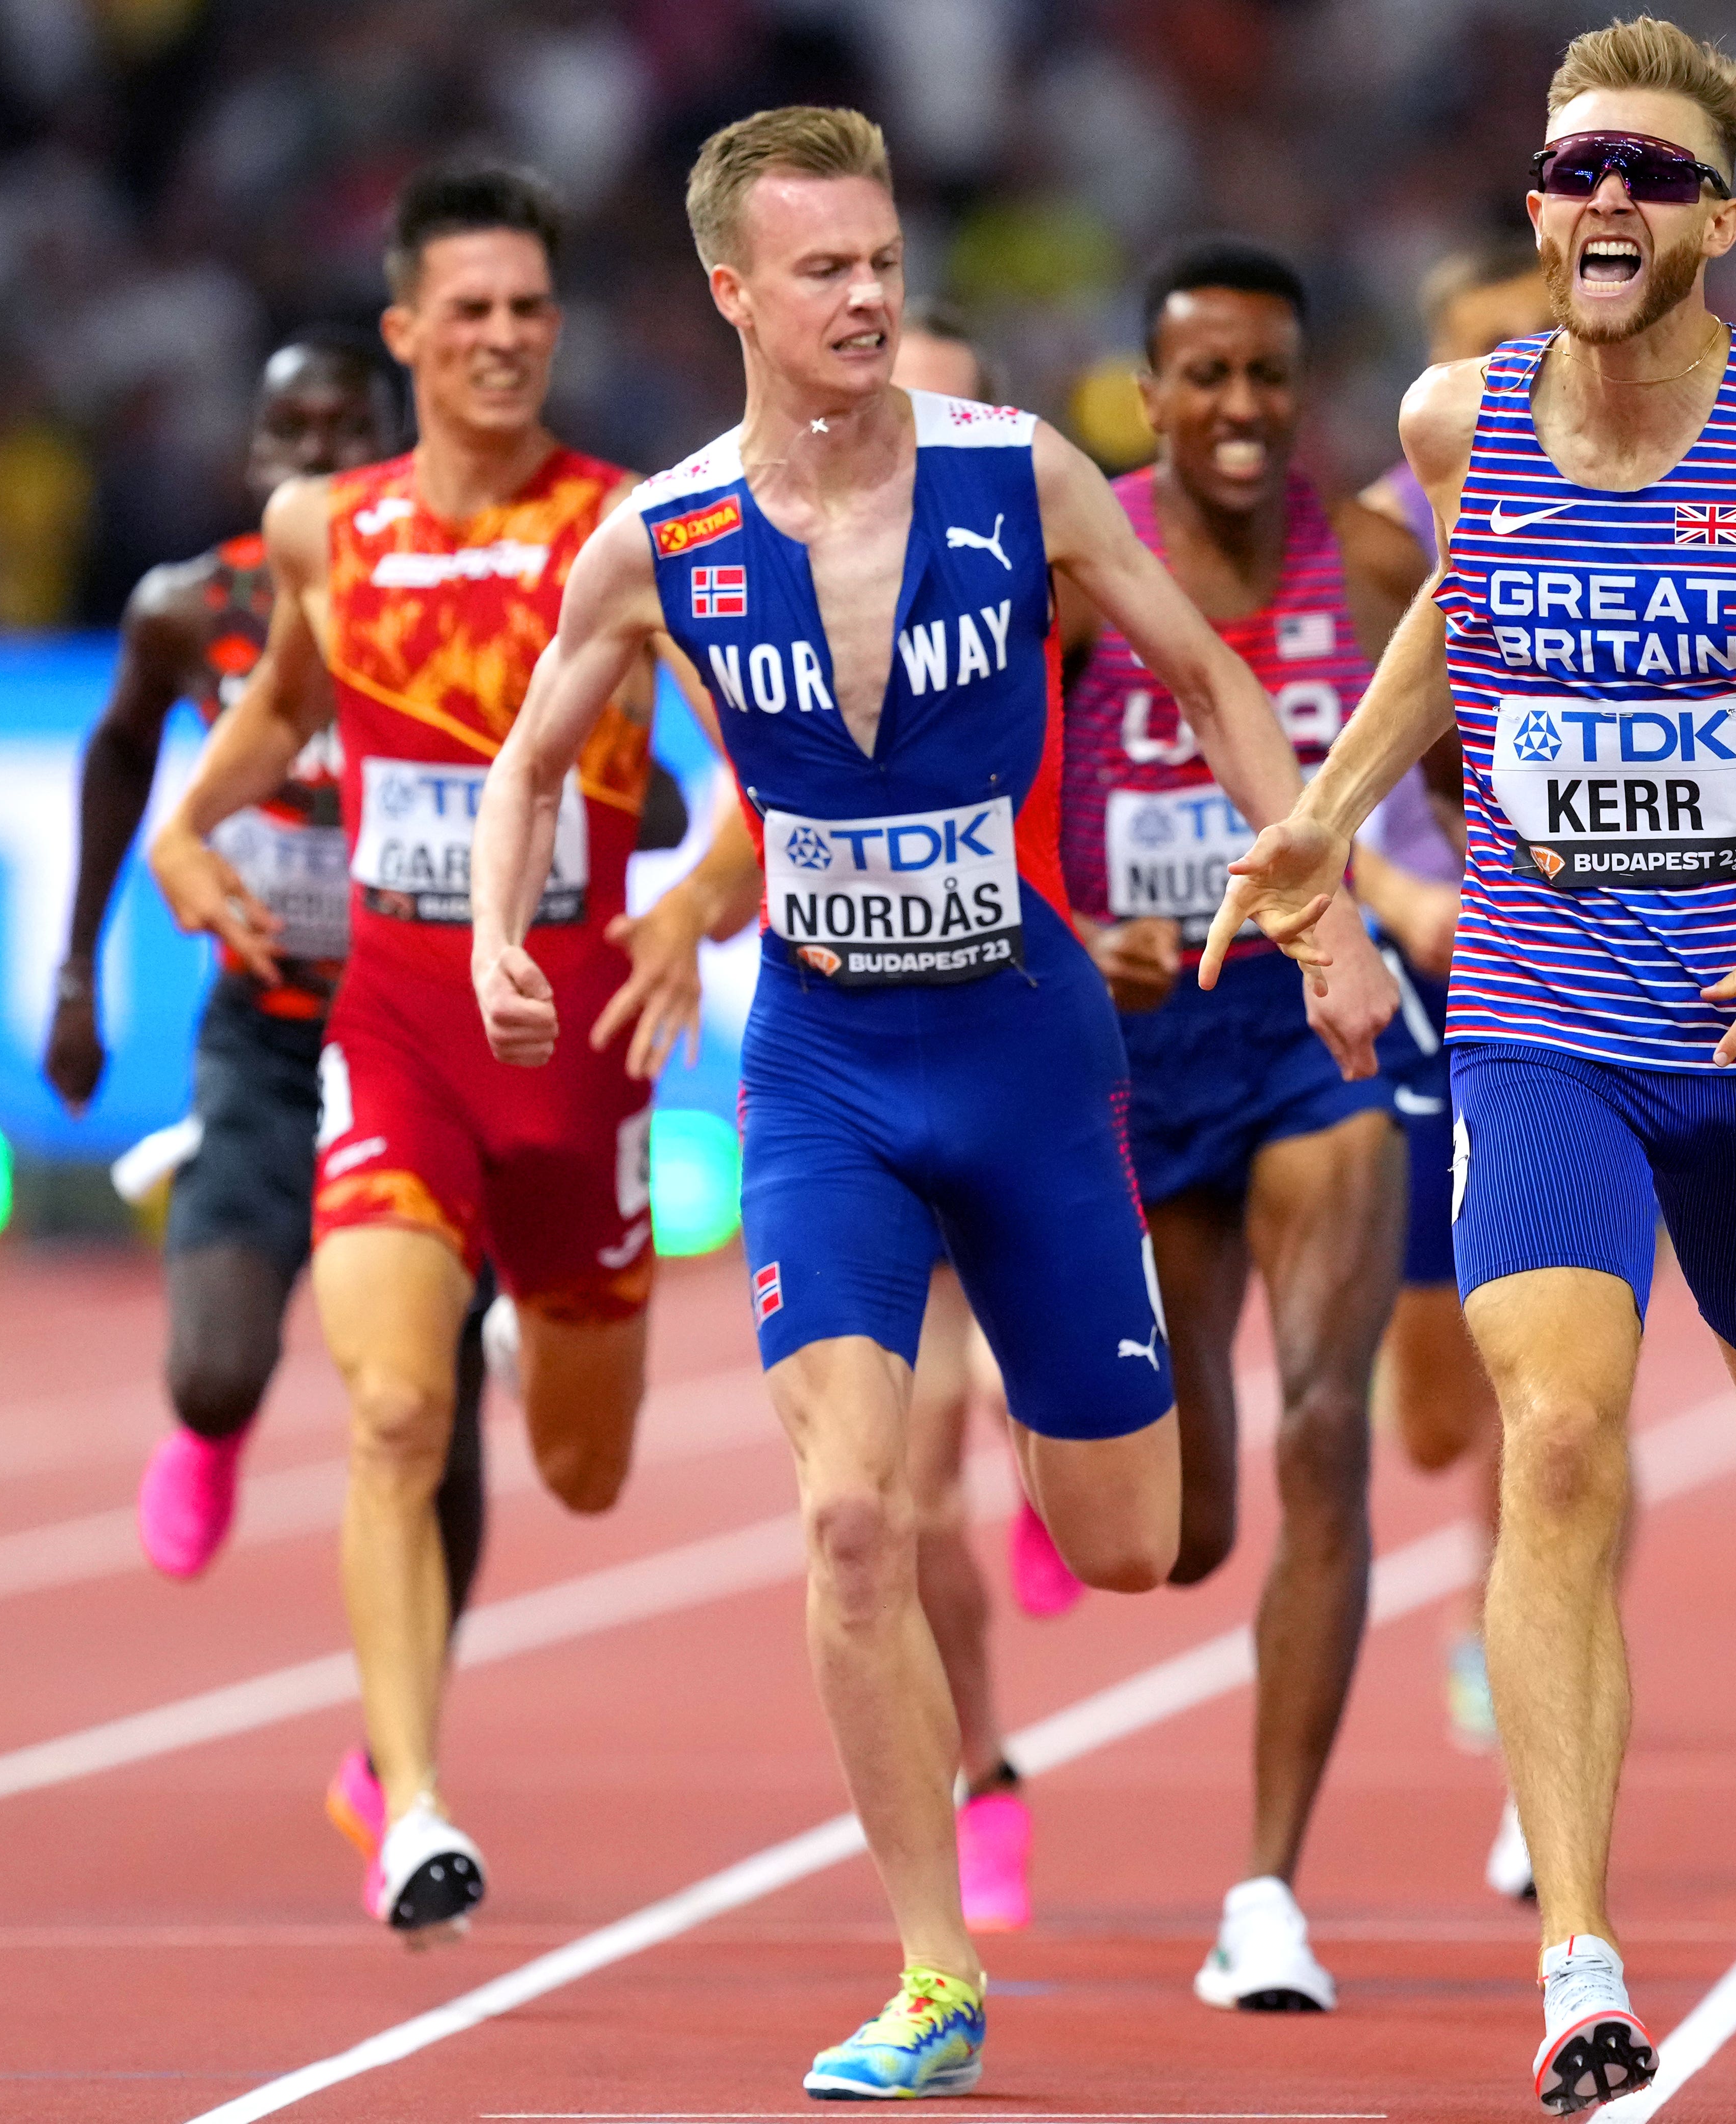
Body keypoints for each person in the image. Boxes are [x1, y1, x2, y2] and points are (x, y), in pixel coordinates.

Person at [468, 107, 1388, 2099]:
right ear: (733, 291)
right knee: (858, 1518)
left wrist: (1308, 894)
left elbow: (1220, 680)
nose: (870, 293)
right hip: (818, 1064)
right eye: (824, 268)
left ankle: (1084, 1481)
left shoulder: (1021, 475)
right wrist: (493, 932)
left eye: (883, 259)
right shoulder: (667, 531)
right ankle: (934, 1970)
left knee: (1137, 1539)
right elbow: (535, 749)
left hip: (1031, 1046)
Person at [1203, 18, 1736, 2110]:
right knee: (1552, 1439)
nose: (1610, 204)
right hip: (1544, 1019)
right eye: (1578, 172)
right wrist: (1327, 806)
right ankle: (1578, 1955)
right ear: (1537, 207)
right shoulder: (1459, 417)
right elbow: (1449, 625)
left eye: (1654, 175)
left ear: (1721, 219)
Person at [145, 167, 720, 1942]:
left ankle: (525, 1290)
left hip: (582, 1061)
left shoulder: (634, 524)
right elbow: (279, 710)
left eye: (527, 310)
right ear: (403, 331)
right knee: (393, 1408)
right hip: (396, 1032)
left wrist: (699, 897)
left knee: (584, 1463)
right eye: (466, 310)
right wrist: (187, 837)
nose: (500, 338)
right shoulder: (333, 524)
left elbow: (762, 766)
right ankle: (411, 1804)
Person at [1053, 235, 1429, 2010]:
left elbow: (1460, 784)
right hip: (1139, 1056)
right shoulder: (1076, 561)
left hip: (1310, 1039)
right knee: (1181, 1526)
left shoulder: (1362, 567)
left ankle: (1265, 1886)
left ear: (1303, 392)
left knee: (1326, 1425)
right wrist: (1066, 937)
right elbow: (984, 784)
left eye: (1266, 376)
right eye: (1202, 375)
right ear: (1150, 393)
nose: (1236, 407)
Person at [43, 339, 509, 1609]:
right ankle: (209, 1432)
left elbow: (606, 788)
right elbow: (120, 756)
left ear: (398, 450)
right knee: (214, 1369)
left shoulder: (466, 603)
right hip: (268, 1034)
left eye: (344, 432)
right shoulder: (187, 610)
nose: (314, 459)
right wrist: (78, 976)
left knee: (436, 1401)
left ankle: (407, 1745)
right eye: (288, 434)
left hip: (420, 1043)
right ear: (252, 455)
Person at [1356, 238, 1558, 1899]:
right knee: (1430, 1406)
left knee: (1545, 1369)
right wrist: (1408, 893)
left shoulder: (1629, 503)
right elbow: (1301, 766)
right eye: (1483, 352)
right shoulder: (1372, 535)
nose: (1519, 372)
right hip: (1421, 960)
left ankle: (1525, 1638)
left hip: (1563, 984)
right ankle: (1477, 1569)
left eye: (1537, 342)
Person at [883, 296, 1073, 1939]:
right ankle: (986, 1764)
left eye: (954, 424)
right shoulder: (807, 599)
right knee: (899, 1479)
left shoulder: (1057, 584)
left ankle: (1062, 1445)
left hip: (1049, 1035)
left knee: (1077, 1443)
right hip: (878, 1057)